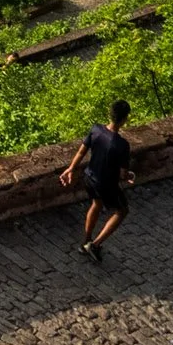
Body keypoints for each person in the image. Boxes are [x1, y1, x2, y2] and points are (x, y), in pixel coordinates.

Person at [59, 98, 134, 259]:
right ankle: (95, 244)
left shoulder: (96, 130)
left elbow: (81, 152)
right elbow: (122, 174)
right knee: (122, 211)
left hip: (89, 177)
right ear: (124, 119)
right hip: (106, 184)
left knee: (96, 204)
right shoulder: (122, 145)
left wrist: (71, 168)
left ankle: (85, 240)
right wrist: (129, 175)